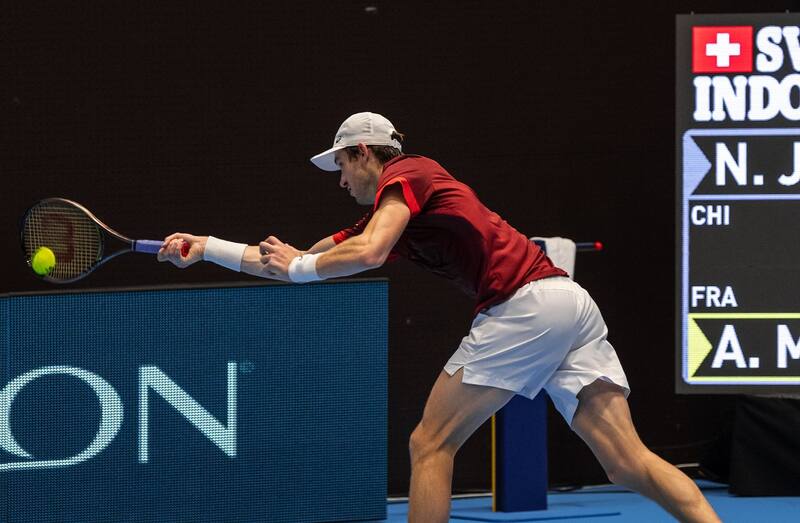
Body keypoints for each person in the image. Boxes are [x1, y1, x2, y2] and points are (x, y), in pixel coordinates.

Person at [158, 112, 721, 523]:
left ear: (365, 153)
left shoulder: (410, 173)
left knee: (429, 444)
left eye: (342, 165)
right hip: (568, 304)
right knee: (625, 462)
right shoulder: (393, 212)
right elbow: (298, 263)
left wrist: (303, 268)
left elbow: (361, 255)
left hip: (525, 305)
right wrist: (206, 247)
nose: (340, 180)